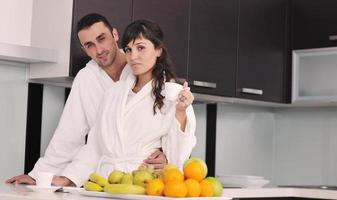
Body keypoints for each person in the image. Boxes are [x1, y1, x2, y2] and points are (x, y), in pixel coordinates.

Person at [6, 13, 169, 186]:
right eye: (89, 45)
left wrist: (167, 153)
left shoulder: (145, 67)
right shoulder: (86, 79)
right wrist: (40, 175)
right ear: (84, 50)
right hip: (105, 177)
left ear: (114, 34)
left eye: (102, 39)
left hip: (148, 176)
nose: (99, 50)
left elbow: (172, 126)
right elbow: (68, 135)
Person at [58, 19, 197, 187]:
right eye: (129, 50)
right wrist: (69, 178)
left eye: (141, 48)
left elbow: (179, 155)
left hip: (146, 185)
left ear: (158, 50)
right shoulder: (113, 94)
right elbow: (94, 147)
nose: (133, 57)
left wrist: (181, 112)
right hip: (107, 183)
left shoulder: (173, 94)